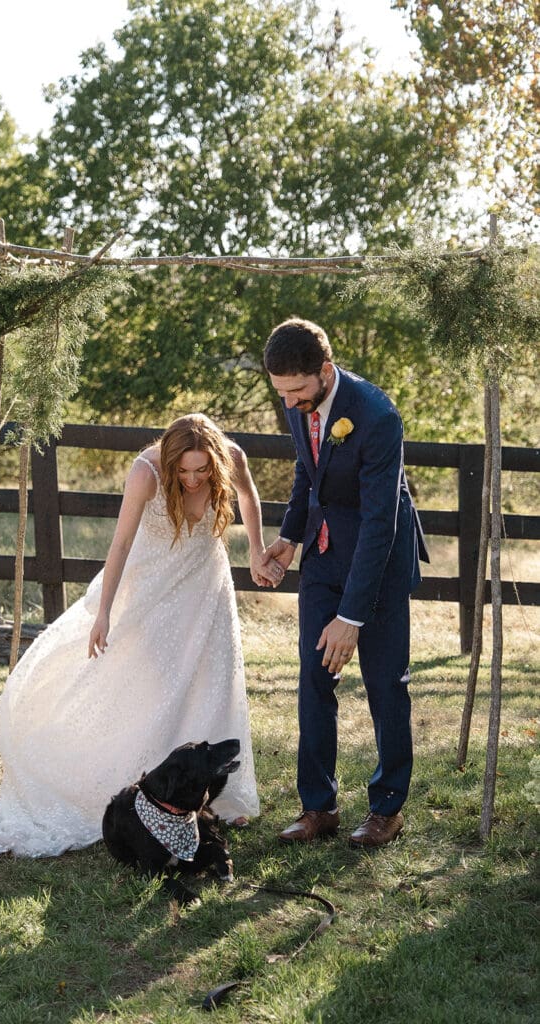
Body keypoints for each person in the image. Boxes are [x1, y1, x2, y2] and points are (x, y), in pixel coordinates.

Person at [0, 414, 274, 857]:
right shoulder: (145, 472)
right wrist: (105, 613)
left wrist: (255, 549)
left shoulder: (232, 457)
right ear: (170, 461)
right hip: (152, 589)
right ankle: (148, 786)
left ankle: (217, 796)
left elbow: (248, 497)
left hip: (206, 582)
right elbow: (119, 544)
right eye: (184, 471)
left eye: (202, 471)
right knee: (157, 687)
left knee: (213, 679)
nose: (192, 480)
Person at [261, 318, 429, 848]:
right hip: (324, 561)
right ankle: (319, 807)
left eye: (298, 391)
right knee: (313, 679)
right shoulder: (299, 404)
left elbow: (382, 521)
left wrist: (351, 617)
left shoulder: (377, 416)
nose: (290, 403)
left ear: (326, 372)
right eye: (281, 392)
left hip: (377, 561)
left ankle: (386, 809)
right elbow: (307, 474)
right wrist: (289, 539)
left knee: (385, 685)